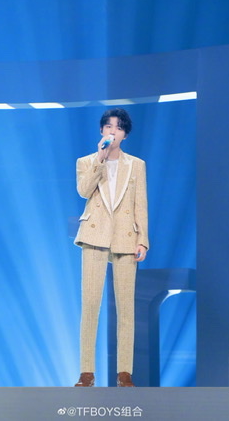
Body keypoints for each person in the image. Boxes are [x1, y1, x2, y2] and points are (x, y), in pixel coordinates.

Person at [73, 108, 149, 387]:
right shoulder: (86, 161)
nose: (112, 131)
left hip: (125, 236)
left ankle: (124, 372)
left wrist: (143, 239)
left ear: (125, 134)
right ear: (101, 131)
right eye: (108, 126)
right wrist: (100, 159)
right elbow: (83, 190)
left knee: (126, 307)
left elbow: (141, 203)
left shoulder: (136, 164)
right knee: (90, 304)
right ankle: (86, 372)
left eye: (117, 127)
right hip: (95, 235)